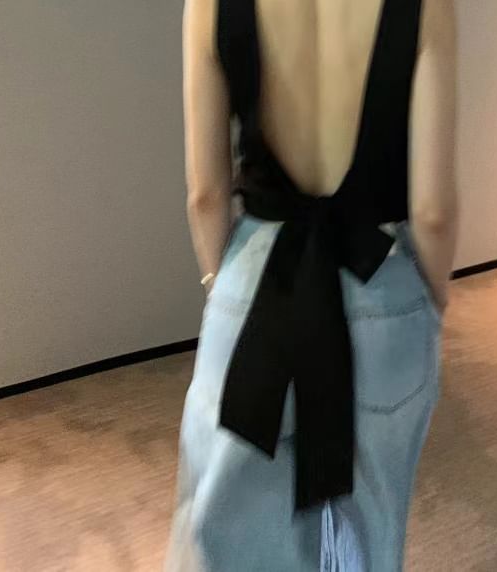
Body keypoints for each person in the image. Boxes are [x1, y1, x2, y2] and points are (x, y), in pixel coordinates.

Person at [165, 0, 458, 570]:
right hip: (379, 280)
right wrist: (431, 303)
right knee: (370, 526)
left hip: (255, 288)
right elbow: (434, 211)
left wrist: (221, 286)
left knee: (224, 528)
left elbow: (206, 194)